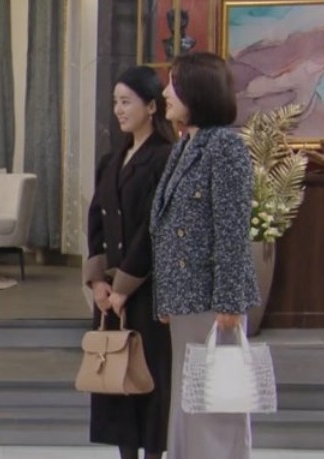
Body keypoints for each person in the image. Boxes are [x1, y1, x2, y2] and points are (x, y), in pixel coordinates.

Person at [151, 52, 259, 459]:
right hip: (186, 299)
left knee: (216, 404)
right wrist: (166, 297)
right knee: (189, 401)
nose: (165, 93)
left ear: (197, 91)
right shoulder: (185, 145)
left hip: (214, 303)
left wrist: (229, 301)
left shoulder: (225, 148)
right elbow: (166, 226)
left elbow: (231, 230)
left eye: (174, 84)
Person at [85, 65, 176, 459]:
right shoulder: (112, 159)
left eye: (126, 102)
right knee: (115, 379)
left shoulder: (165, 158)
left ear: (151, 106)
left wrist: (123, 287)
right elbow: (96, 219)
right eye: (115, 102)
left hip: (145, 289)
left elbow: (152, 228)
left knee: (148, 378)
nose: (119, 110)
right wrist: (98, 282)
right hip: (109, 290)